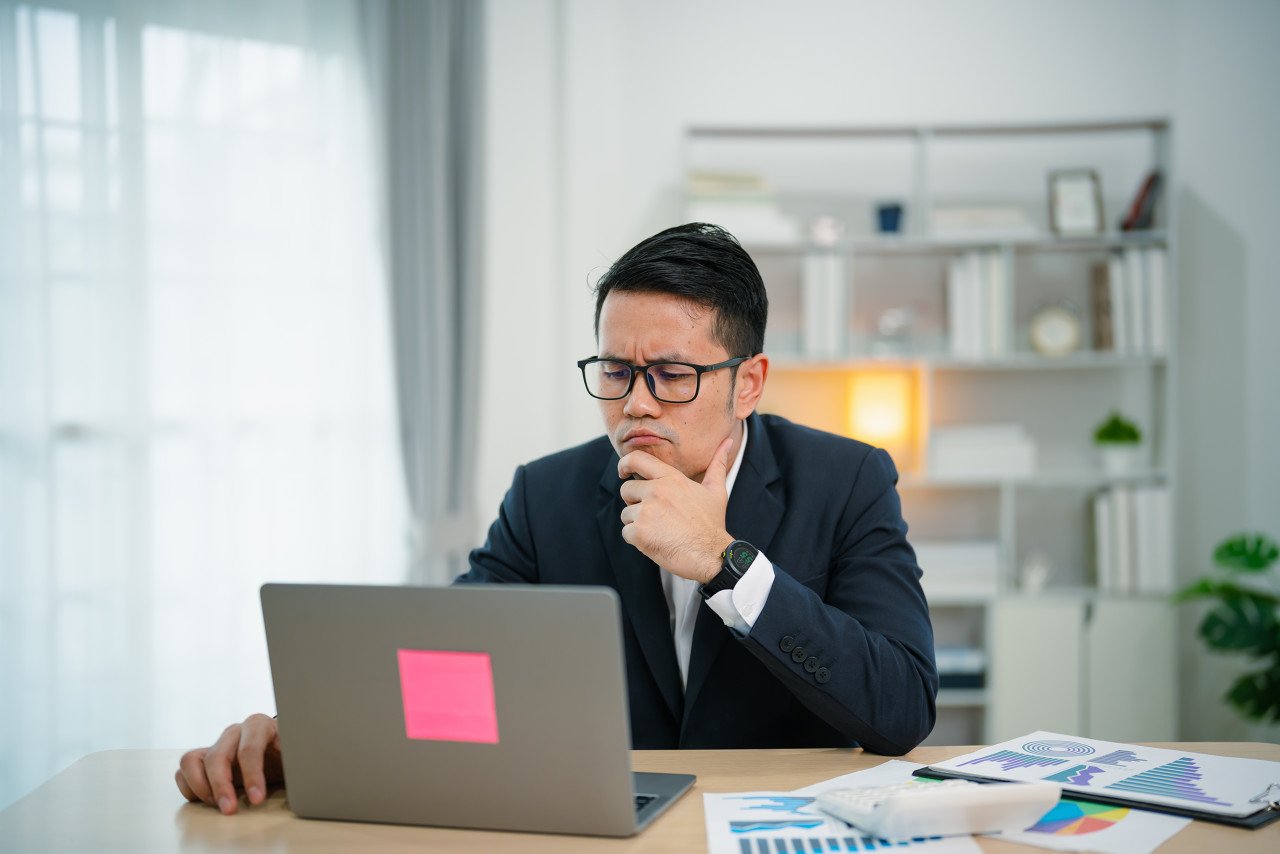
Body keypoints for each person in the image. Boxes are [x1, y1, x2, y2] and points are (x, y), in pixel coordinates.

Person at [175, 223, 937, 815]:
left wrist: (724, 560)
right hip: (603, 831)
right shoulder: (546, 496)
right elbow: (446, 667)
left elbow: (901, 709)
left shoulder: (847, 480)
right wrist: (304, 743)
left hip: (775, 829)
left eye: (671, 374)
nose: (634, 403)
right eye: (614, 371)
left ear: (748, 383)